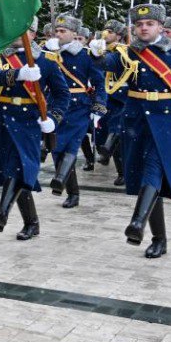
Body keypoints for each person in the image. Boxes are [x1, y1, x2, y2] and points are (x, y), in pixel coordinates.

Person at [89, 3, 171, 256]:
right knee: (147, 177)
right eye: (140, 25)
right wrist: (97, 55)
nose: (144, 28)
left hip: (168, 123)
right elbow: (109, 63)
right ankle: (159, 239)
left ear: (160, 27)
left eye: (149, 24)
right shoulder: (129, 53)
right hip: (137, 123)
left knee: (153, 170)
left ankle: (137, 222)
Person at [0, 22, 69, 241]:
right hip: (2, 119)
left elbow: (62, 95)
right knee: (16, 171)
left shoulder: (48, 61)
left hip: (29, 121)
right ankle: (32, 223)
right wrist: (18, 74)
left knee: (18, 166)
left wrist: (53, 119)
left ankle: (2, 211)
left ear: (32, 33)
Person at [44, 15, 106, 209]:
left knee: (70, 145)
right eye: (57, 31)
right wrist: (48, 52)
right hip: (55, 105)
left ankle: (66, 186)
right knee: (56, 148)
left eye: (63, 31)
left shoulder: (85, 54)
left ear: (74, 34)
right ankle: (69, 187)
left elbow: (99, 82)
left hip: (79, 106)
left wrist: (99, 104)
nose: (59, 34)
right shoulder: (49, 51)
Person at [95, 19, 130, 186]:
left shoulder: (121, 51)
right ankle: (105, 151)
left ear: (119, 35)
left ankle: (122, 171)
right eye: (105, 30)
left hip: (121, 97)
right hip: (104, 97)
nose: (106, 33)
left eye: (110, 31)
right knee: (103, 130)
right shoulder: (102, 50)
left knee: (116, 132)